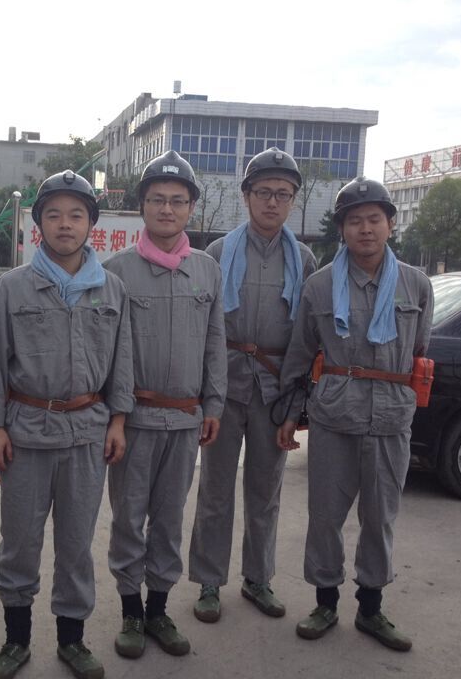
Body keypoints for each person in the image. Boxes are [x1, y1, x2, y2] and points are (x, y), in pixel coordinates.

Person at [0, 169, 134, 679]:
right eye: (54, 215)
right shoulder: (11, 289)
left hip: (87, 432)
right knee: (20, 541)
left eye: (76, 215)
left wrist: (118, 420)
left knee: (76, 544)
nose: (65, 224)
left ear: (91, 224)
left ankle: (72, 640)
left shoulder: (112, 289)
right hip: (26, 432)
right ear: (38, 224)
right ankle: (15, 641)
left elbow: (123, 362)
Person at [275, 177, 433, 652]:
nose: (365, 229)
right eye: (355, 221)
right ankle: (325, 602)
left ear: (390, 225)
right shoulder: (320, 286)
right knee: (325, 515)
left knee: (380, 517)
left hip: (390, 419)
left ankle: (371, 608)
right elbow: (301, 353)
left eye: (374, 220)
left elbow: (420, 349)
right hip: (334, 416)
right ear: (342, 229)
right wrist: (290, 413)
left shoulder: (416, 284)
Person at [102, 150, 226, 659]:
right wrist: (114, 418)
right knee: (128, 518)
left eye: (177, 201)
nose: (167, 209)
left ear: (191, 208)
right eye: (157, 200)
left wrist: (214, 404)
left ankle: (158, 610)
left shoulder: (207, 271)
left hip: (185, 419)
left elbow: (215, 341)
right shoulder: (115, 271)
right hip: (134, 421)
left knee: (170, 519)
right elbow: (106, 354)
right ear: (143, 206)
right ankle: (131, 611)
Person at [189, 147, 317, 623]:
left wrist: (295, 404)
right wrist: (204, 394)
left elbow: (306, 337)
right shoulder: (218, 253)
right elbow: (201, 328)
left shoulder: (304, 258)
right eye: (263, 192)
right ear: (245, 196)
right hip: (224, 386)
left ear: (293, 201)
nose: (272, 202)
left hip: (274, 390)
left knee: (266, 490)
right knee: (215, 489)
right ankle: (209, 580)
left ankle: (258, 578)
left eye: (283, 194)